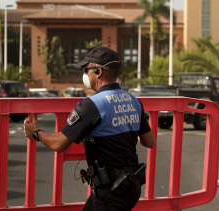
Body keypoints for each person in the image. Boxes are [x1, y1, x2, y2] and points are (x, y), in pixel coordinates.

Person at [24, 46, 156, 211]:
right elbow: (150, 141)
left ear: (98, 72)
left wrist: (36, 133)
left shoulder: (91, 105)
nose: (85, 75)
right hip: (130, 186)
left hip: (111, 192)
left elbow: (59, 143)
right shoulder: (133, 101)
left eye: (87, 70)